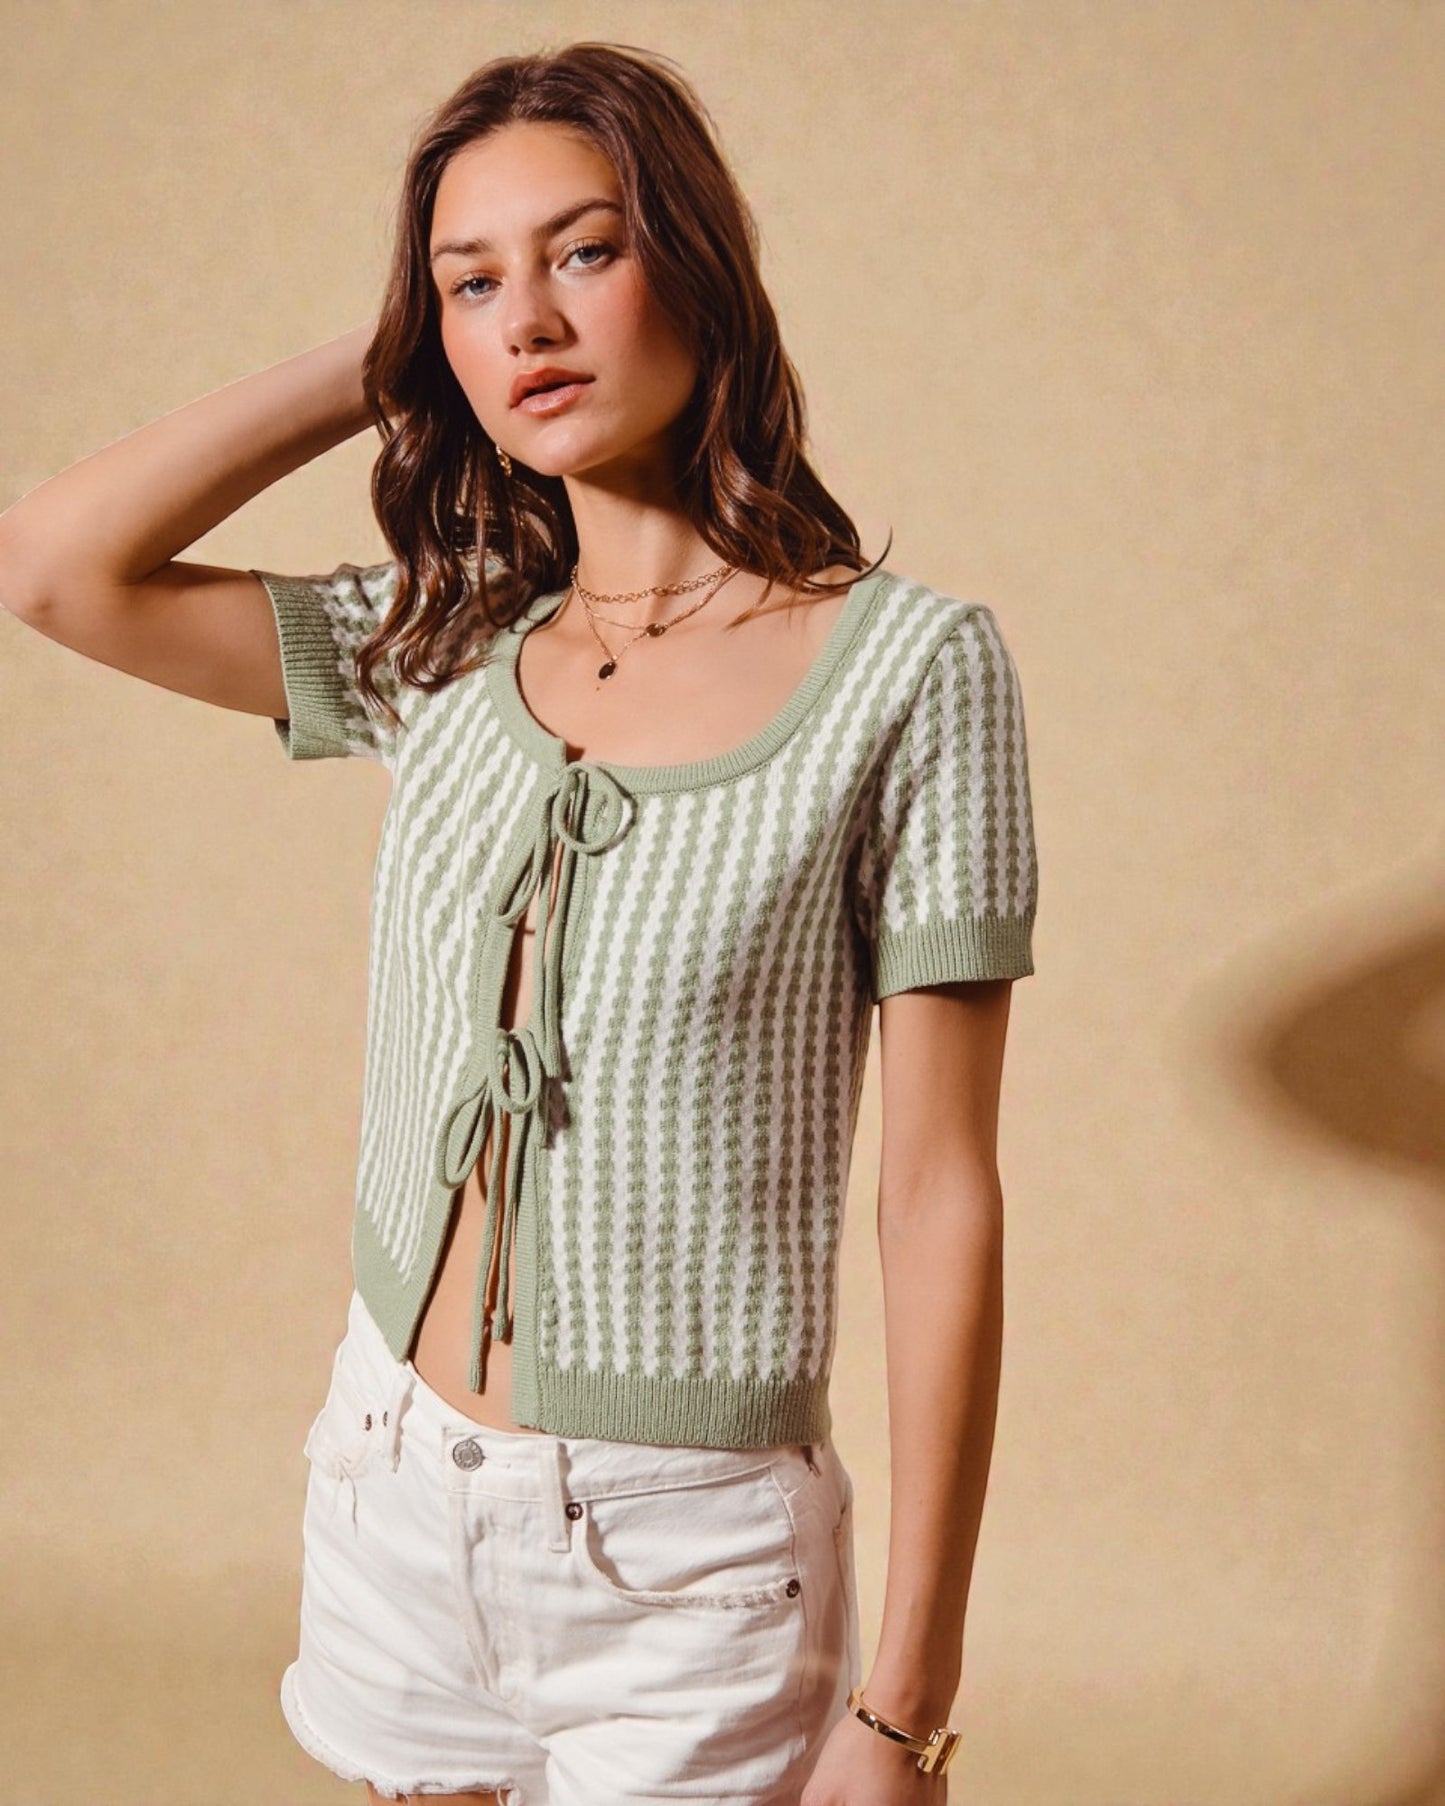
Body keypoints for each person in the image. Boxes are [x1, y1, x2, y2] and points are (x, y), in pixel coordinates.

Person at [0, 40, 1038, 1806]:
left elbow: (938, 1197)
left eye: (582, 252)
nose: (527, 322)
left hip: (689, 1563)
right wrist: (385, 349)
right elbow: (53, 565)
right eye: (471, 282)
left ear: (696, 264)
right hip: (393, 1487)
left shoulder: (910, 676)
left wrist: (905, 1706)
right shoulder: (447, 646)